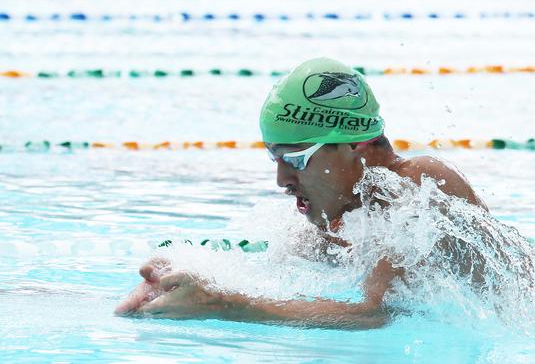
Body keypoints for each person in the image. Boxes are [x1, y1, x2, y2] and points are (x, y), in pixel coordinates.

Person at [115, 57, 489, 329]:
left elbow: (373, 313)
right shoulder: (344, 221)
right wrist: (182, 277)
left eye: (295, 159)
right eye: (274, 158)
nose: (281, 179)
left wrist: (220, 304)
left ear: (354, 145)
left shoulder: (420, 186)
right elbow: (268, 273)